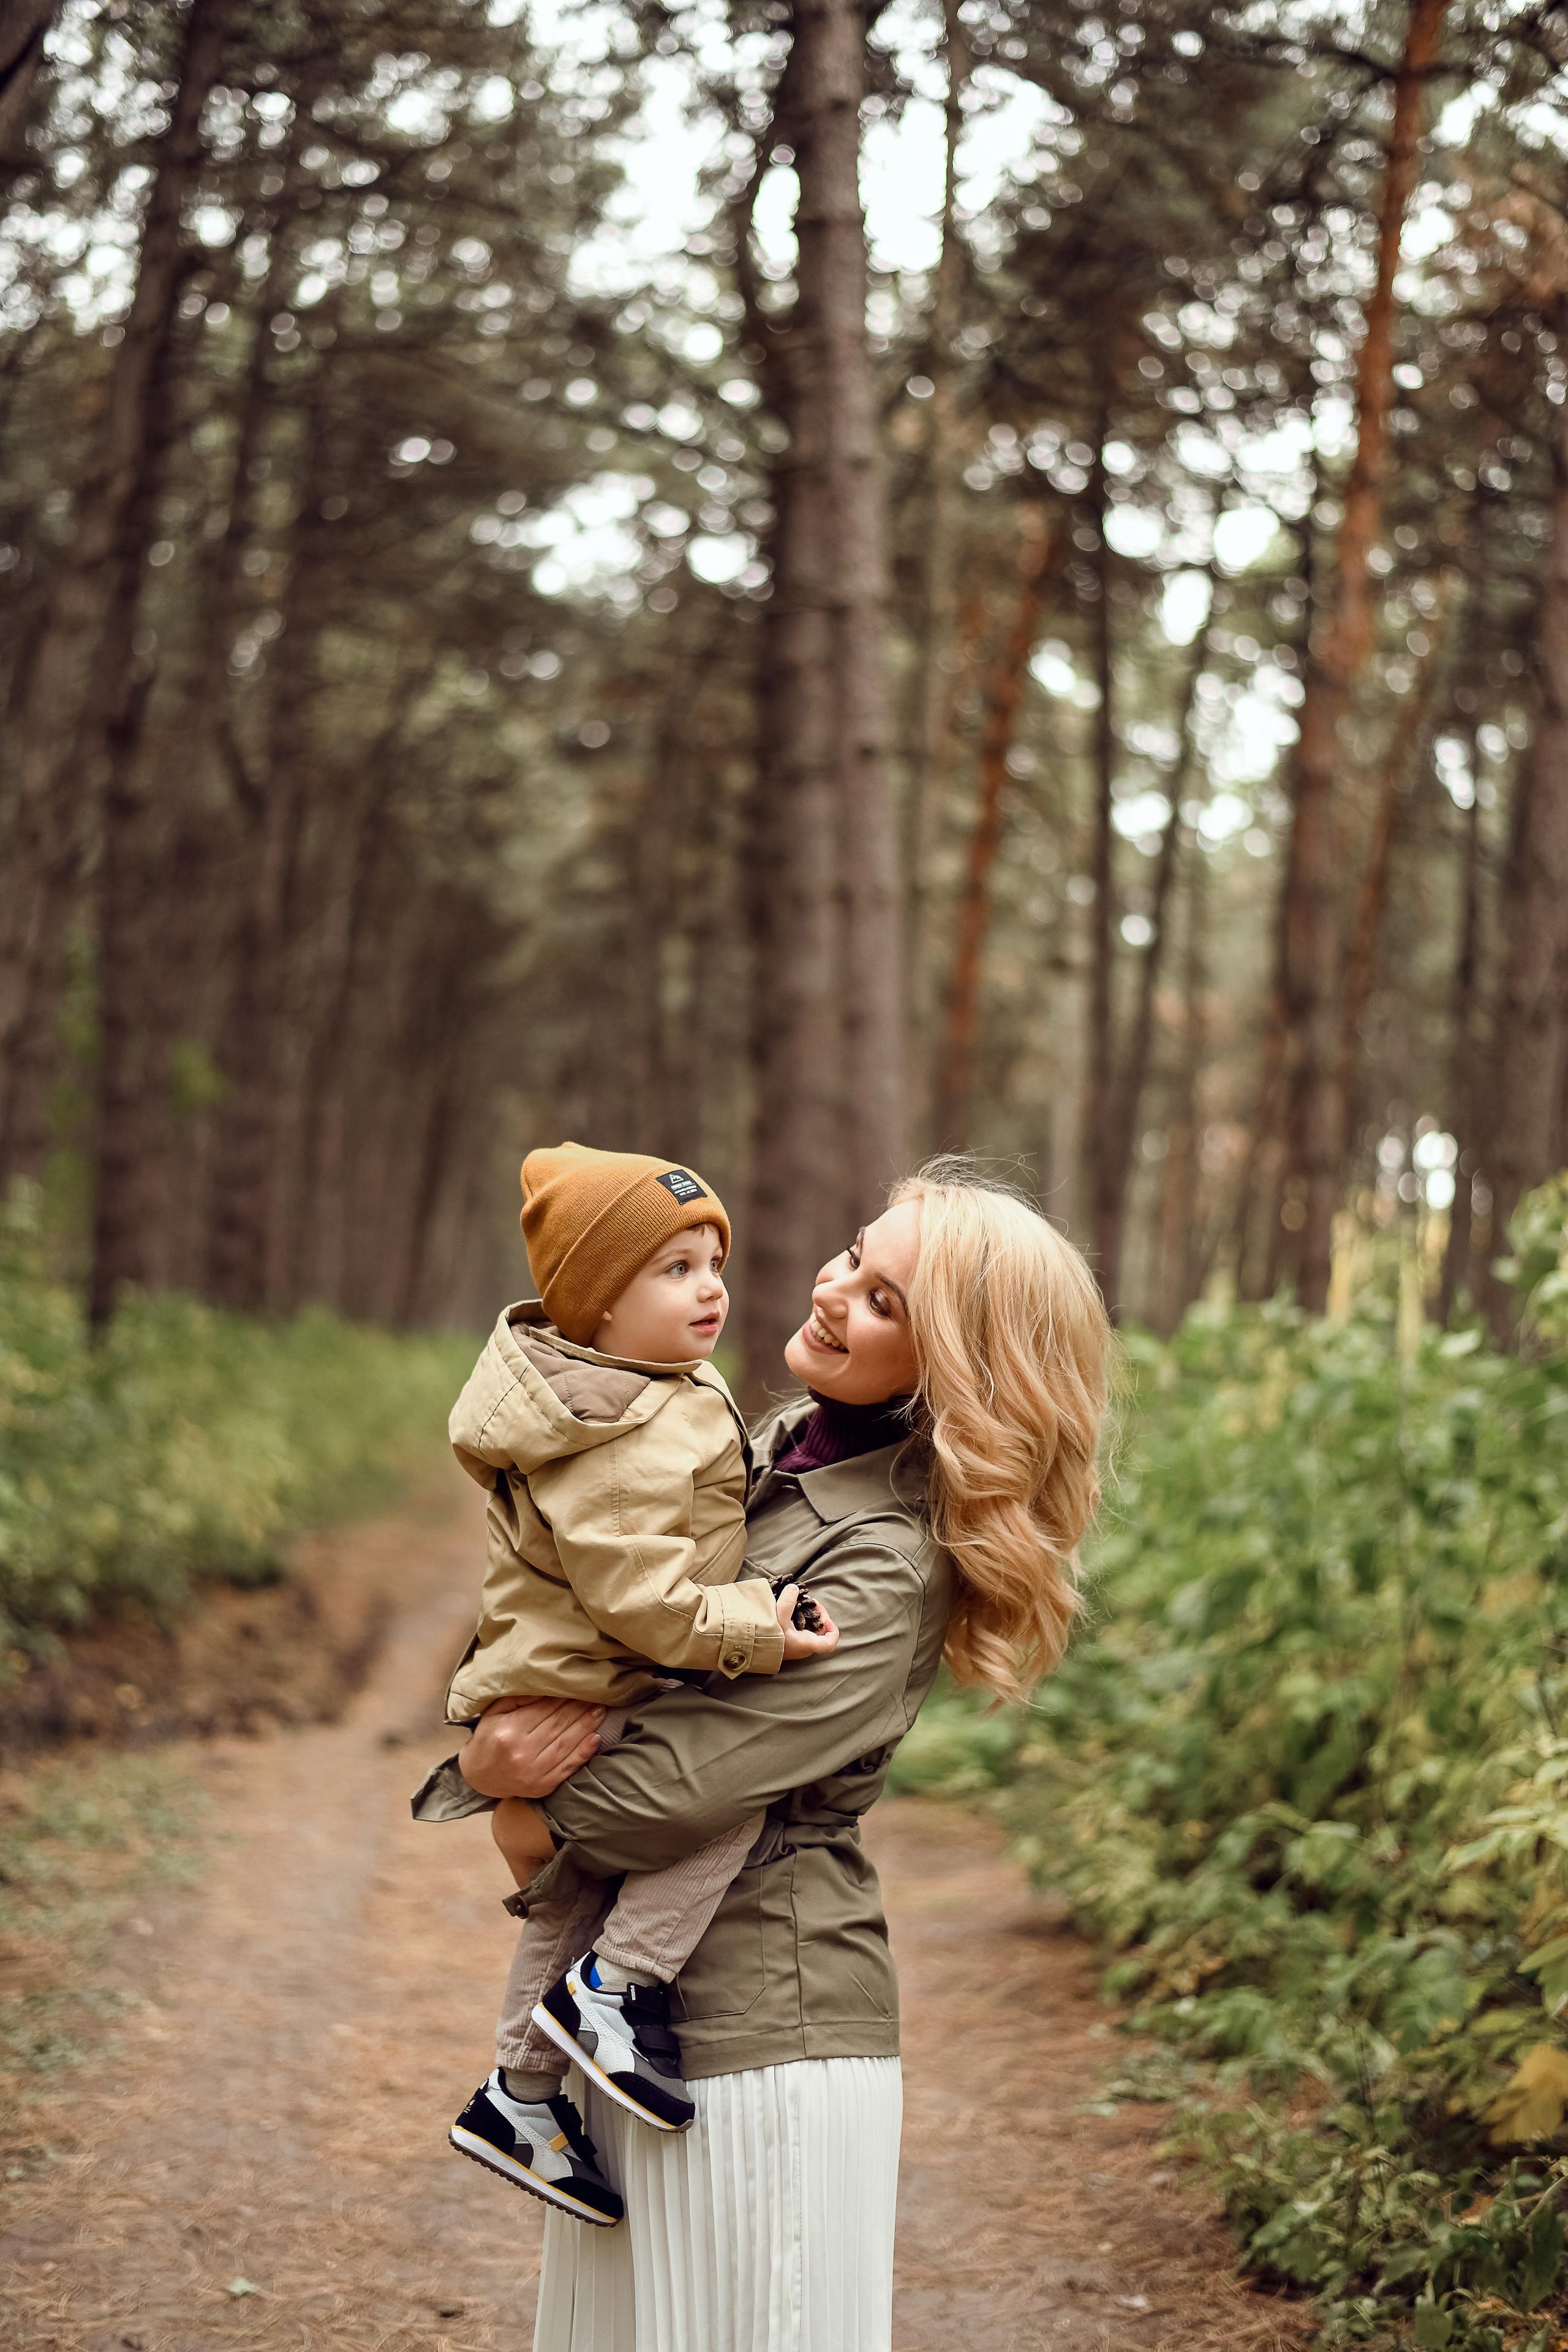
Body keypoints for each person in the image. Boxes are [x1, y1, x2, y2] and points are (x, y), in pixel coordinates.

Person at [455, 1162, 1114, 2352]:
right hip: (617, 2032)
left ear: (956, 1365)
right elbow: (568, 1620)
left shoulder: (887, 1556)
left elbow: (664, 1795)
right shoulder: (761, 1446)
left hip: (760, 2042)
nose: (833, 1292)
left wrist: (515, 1803)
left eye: (884, 1302)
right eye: (854, 1257)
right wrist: (503, 1737)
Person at [416, 1142, 838, 2230]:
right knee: (718, 1805)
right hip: (593, 1686)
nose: (711, 1288)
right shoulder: (623, 1425)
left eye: (713, 1261)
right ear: (598, 1304)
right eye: (673, 1269)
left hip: (579, 1683)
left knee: (576, 1894)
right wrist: (759, 1625)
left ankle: (519, 2094)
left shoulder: (645, 1389)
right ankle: (620, 1987)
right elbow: (640, 1600)